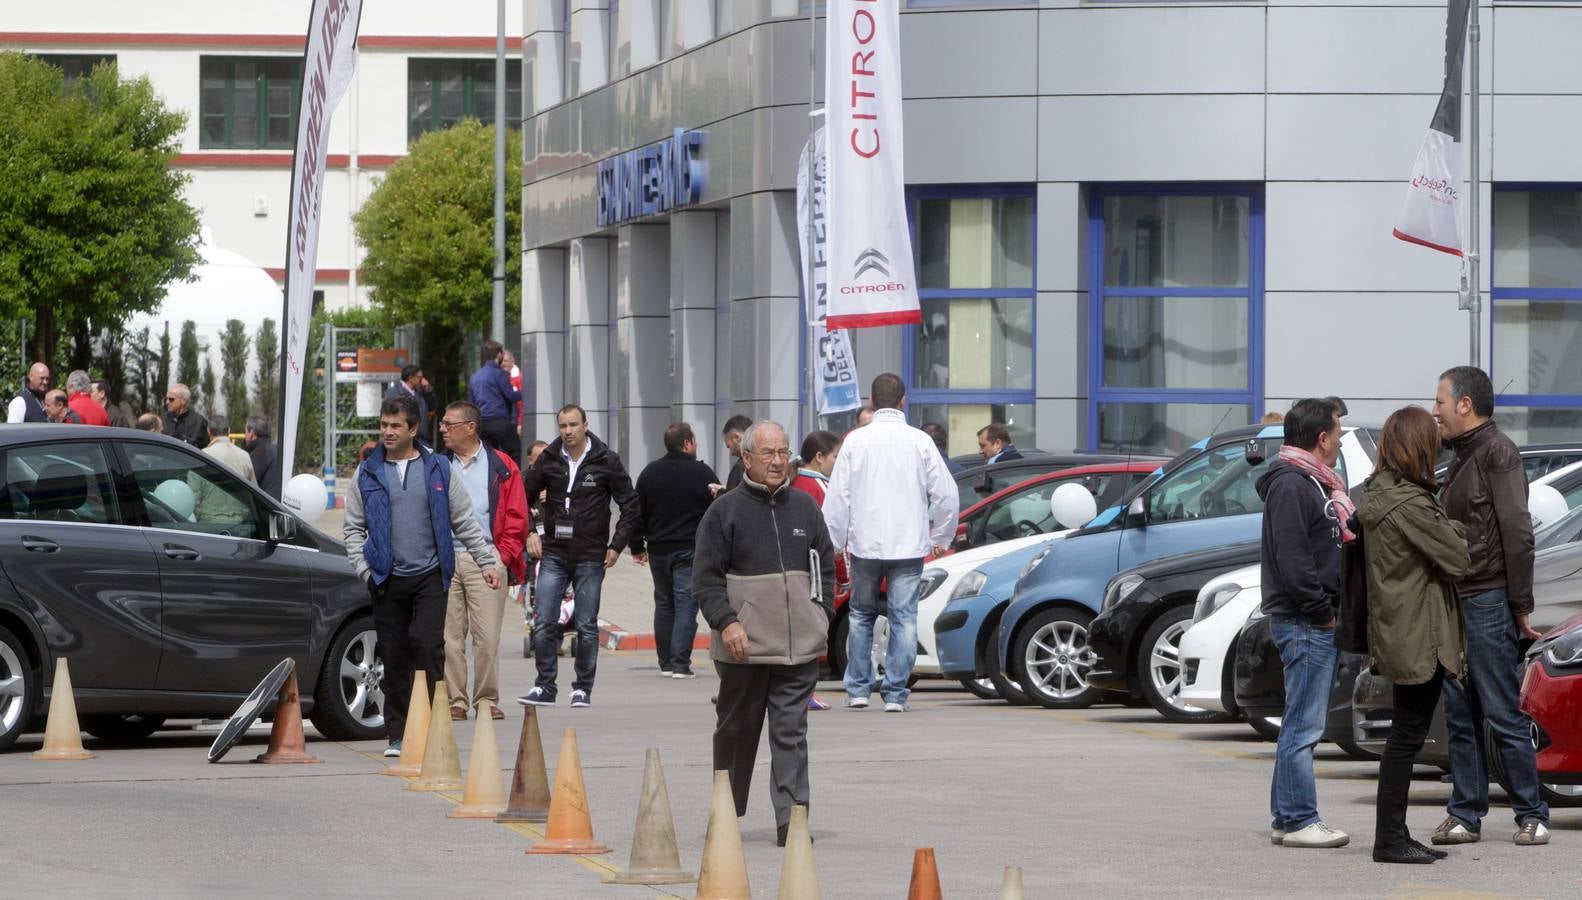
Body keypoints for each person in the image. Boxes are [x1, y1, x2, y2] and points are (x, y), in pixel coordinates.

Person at [694, 419, 835, 847]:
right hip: (744, 648)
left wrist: (821, 616)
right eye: (769, 454)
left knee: (791, 733)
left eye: (783, 452)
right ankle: (725, 810)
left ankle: (791, 821)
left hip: (798, 649)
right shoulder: (724, 511)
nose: (778, 462)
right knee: (736, 730)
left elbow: (825, 566)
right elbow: (705, 578)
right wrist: (728, 621)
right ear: (747, 458)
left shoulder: (806, 508)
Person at [1431, 366, 1550, 847]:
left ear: (1465, 404)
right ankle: (1465, 813)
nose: (1434, 410)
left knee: (1500, 709)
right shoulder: (1463, 453)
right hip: (1458, 600)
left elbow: (1518, 534)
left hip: (1486, 597)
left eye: (1440, 401)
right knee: (1460, 713)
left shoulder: (1497, 451)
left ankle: (1532, 813)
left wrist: (1519, 604)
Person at [344, 395, 499, 758]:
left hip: (430, 575)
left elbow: (464, 520)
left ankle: (431, 728)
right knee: (395, 655)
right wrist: (366, 571)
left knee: (428, 648)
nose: (388, 432)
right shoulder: (368, 472)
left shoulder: (437, 469)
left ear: (413, 429)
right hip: (386, 578)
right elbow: (352, 529)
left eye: (396, 425)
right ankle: (398, 734)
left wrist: (485, 562)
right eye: (384, 425)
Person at [1358, 405, 1471, 865]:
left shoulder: (1379, 494)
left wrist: (1446, 530)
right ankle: (1389, 839)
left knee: (1404, 735)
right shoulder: (1410, 503)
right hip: (1419, 635)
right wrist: (1453, 529)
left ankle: (1396, 833)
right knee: (1406, 738)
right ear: (1418, 447)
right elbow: (1458, 557)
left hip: (1398, 628)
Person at [822, 373, 959, 712]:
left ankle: (857, 688)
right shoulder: (920, 441)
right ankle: (896, 693)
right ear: (903, 401)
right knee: (904, 618)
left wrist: (834, 541)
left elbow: (838, 496)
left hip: (865, 542)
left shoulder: (855, 441)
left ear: (871, 400)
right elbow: (946, 494)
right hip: (909, 543)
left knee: (860, 615)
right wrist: (940, 536)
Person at [1256, 397, 1350, 849]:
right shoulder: (1294, 485)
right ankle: (1298, 819)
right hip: (1305, 621)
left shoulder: (1311, 482)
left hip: (1309, 618)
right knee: (1304, 725)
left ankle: (1285, 815)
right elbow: (1293, 560)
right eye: (1337, 430)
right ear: (1321, 438)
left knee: (1299, 720)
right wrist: (1322, 612)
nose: (1340, 438)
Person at [517, 404, 639, 708]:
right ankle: (545, 686)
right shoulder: (549, 459)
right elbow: (522, 496)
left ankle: (582, 688)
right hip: (554, 552)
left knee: (586, 624)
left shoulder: (606, 460)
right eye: (563, 426)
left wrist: (616, 545)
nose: (568, 431)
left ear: (585, 425)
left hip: (590, 555)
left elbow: (631, 504)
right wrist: (530, 532)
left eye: (573, 425)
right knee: (543, 620)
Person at [439, 401, 528, 722]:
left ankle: (486, 699)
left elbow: (517, 516)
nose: (443, 430)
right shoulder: (438, 465)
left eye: (449, 424)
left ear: (470, 427)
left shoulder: (501, 465)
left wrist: (502, 556)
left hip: (487, 558)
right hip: (447, 559)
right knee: (450, 637)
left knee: (487, 636)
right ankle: (456, 700)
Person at [630, 423, 723, 679]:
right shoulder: (702, 473)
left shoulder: (650, 473)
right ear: (687, 444)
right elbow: (716, 511)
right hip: (689, 549)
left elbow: (637, 512)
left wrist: (636, 546)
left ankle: (666, 663)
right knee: (685, 604)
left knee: (663, 603)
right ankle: (680, 663)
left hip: (658, 549)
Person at [790, 430, 845, 712]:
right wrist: (843, 574)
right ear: (820, 457)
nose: (838, 461)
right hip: (814, 574)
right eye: (836, 455)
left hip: (799, 571)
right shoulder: (818, 489)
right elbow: (831, 538)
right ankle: (804, 692)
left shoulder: (797, 484)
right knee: (812, 633)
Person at [468, 340, 522, 462]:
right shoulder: (499, 374)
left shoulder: (475, 376)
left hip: (482, 424)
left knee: (488, 459)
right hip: (500, 421)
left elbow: (471, 403)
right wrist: (527, 391)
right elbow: (511, 396)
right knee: (513, 455)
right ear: (499, 355)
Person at [385, 365, 432, 444]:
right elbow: (389, 414)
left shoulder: (420, 392)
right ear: (410, 378)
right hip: (404, 438)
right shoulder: (394, 392)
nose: (422, 380)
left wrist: (428, 390)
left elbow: (433, 406)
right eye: (419, 377)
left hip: (421, 437)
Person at [161, 384, 209, 448]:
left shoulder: (199, 422)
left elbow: (205, 449)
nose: (167, 402)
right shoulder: (163, 419)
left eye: (171, 399)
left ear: (183, 401)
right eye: (166, 399)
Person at [244, 417, 281, 499]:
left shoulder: (261, 451)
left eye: (245, 432)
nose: (244, 435)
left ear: (251, 433)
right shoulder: (271, 448)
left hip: (268, 505)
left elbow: (246, 480)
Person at [721, 414, 752, 490]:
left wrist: (719, 493)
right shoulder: (763, 463)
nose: (731, 454)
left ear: (736, 437)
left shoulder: (740, 467)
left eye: (729, 446)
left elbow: (732, 501)